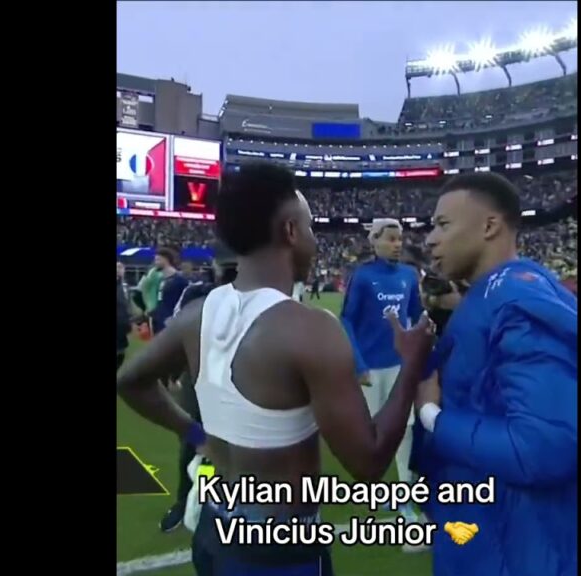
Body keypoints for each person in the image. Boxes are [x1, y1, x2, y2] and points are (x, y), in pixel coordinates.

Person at [117, 162, 435, 576]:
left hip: (214, 528)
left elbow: (130, 381)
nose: (316, 241)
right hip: (278, 548)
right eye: (310, 228)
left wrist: (195, 435)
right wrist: (412, 364)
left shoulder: (196, 314)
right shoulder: (311, 329)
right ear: (290, 232)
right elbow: (369, 463)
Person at [415, 172, 577, 576]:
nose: (429, 239)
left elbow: (541, 448)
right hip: (485, 532)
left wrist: (432, 417)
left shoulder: (515, 301)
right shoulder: (493, 292)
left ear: (490, 226)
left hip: (514, 546)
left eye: (443, 224)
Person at [339, 218, 426, 533]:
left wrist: (424, 343)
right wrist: (358, 365)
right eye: (390, 239)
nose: (397, 244)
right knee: (375, 433)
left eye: (400, 239)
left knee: (405, 430)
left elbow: (416, 314)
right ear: (374, 240)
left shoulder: (408, 274)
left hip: (400, 365)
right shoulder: (362, 277)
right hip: (371, 369)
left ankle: (403, 495)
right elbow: (346, 320)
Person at [159, 243, 238, 533]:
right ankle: (185, 501)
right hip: (201, 383)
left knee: (232, 445)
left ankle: (218, 501)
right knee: (193, 443)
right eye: (227, 265)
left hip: (239, 384)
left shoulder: (259, 294)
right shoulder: (197, 293)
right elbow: (174, 333)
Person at [151, 248, 188, 335]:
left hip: (172, 324)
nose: (155, 262)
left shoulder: (180, 281)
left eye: (158, 259)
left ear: (165, 260)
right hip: (159, 322)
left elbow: (185, 302)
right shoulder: (161, 280)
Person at [117, 261, 133, 371]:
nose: (118, 269)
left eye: (120, 267)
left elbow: (128, 303)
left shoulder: (126, 286)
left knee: (121, 350)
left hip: (123, 322)